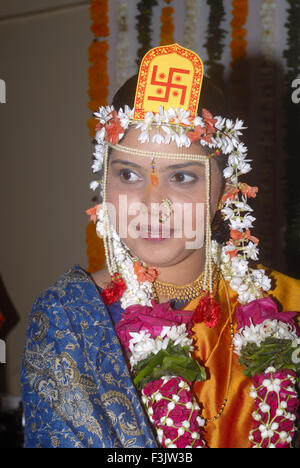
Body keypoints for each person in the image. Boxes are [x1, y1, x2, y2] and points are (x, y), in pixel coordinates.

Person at [21, 44, 300, 448]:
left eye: (182, 177)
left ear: (227, 188)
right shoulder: (72, 319)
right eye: (130, 174)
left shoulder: (289, 305)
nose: (153, 206)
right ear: (105, 183)